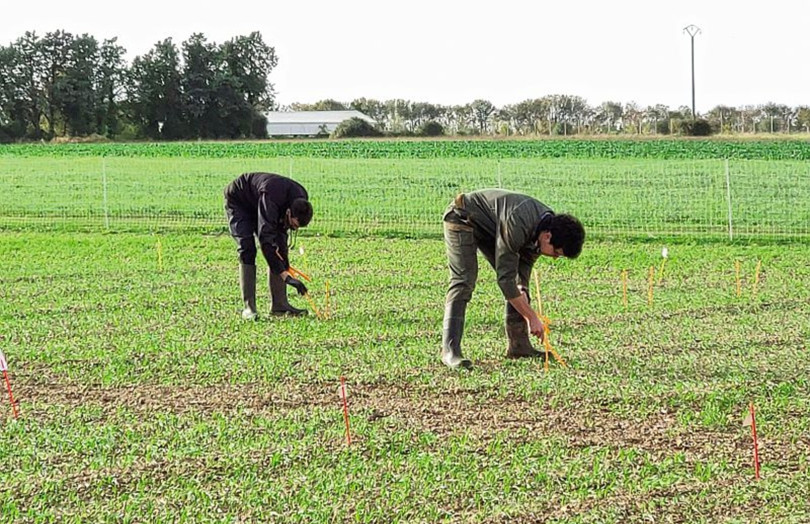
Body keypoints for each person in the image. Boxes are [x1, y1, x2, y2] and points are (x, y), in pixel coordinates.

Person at [441, 189, 585, 369]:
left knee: (520, 292)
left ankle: (519, 347)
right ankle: (450, 350)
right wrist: (531, 316)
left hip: (492, 227)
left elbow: (523, 265)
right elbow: (506, 279)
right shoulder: (518, 222)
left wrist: (522, 287)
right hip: (463, 217)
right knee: (463, 280)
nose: (555, 257)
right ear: (548, 237)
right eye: (556, 252)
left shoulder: (545, 228)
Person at [224, 172, 313, 320]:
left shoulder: (301, 197)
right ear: (289, 212)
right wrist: (286, 276)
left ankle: (280, 306)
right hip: (240, 201)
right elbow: (266, 240)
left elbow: (279, 246)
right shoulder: (271, 198)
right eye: (293, 225)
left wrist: (285, 266)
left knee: (280, 246)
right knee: (247, 248)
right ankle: (249, 308)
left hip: (263, 201)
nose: (293, 229)